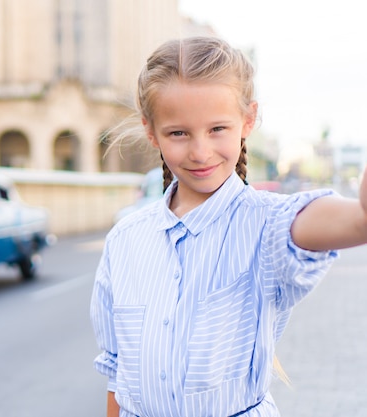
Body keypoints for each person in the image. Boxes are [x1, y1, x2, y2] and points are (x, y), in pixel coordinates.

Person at [90, 36, 367, 417]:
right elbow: (117, 373)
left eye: (217, 128)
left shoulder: (266, 224)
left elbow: (352, 220)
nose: (200, 152)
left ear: (248, 120)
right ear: (151, 131)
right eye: (178, 133)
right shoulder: (124, 240)